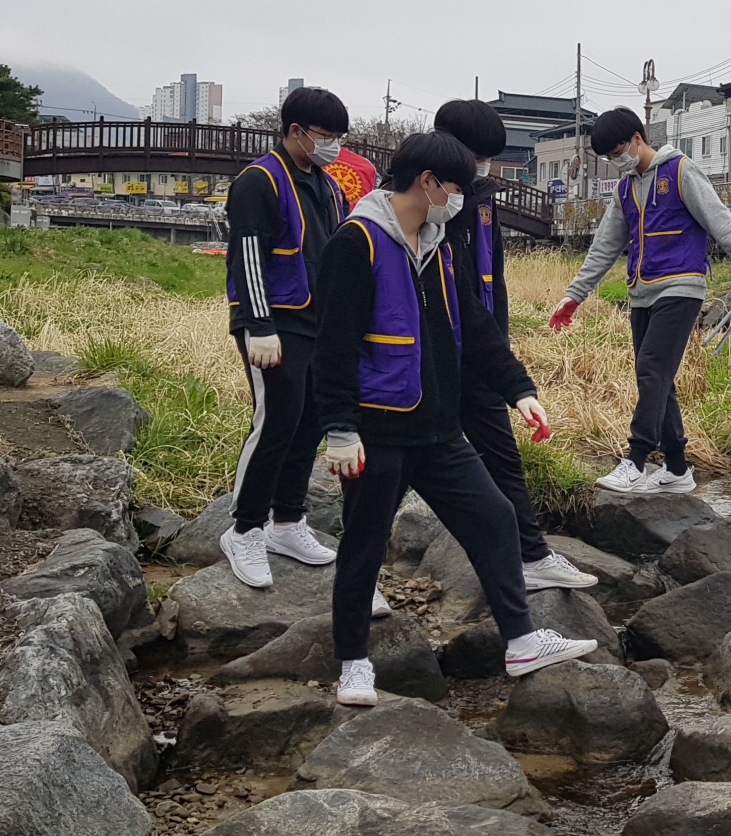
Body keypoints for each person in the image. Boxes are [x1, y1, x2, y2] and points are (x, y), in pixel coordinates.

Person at [314, 132, 592, 707]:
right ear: (428, 183)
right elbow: (333, 344)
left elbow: (474, 326)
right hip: (379, 430)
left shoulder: (438, 244)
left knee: (494, 517)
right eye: (458, 186)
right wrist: (339, 429)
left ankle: (519, 641)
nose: (463, 197)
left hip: (440, 429)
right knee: (364, 544)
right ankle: (354, 664)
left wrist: (519, 390)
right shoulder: (357, 242)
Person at [549, 107, 731, 494]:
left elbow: (719, 219)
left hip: (682, 286)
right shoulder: (624, 189)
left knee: (652, 366)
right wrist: (574, 295)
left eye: (619, 151)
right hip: (641, 291)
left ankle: (636, 459)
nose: (617, 161)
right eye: (609, 157)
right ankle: (678, 468)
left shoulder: (680, 171)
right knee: (657, 378)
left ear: (638, 138)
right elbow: (604, 248)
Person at [434, 99, 596, 591]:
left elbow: (490, 283)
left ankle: (530, 554)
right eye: (476, 156)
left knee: (502, 455)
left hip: (479, 353)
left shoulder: (479, 200)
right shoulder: (417, 206)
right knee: (400, 467)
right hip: (426, 362)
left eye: (486, 158)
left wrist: (503, 357)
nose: (481, 167)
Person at [220, 85, 350, 590]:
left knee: (310, 420)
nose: (333, 145)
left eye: (339, 137)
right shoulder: (258, 181)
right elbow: (246, 254)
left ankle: (288, 522)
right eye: (325, 135)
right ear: (295, 131)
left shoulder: (327, 184)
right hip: (273, 321)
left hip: (319, 320)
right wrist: (258, 324)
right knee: (275, 420)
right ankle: (245, 528)